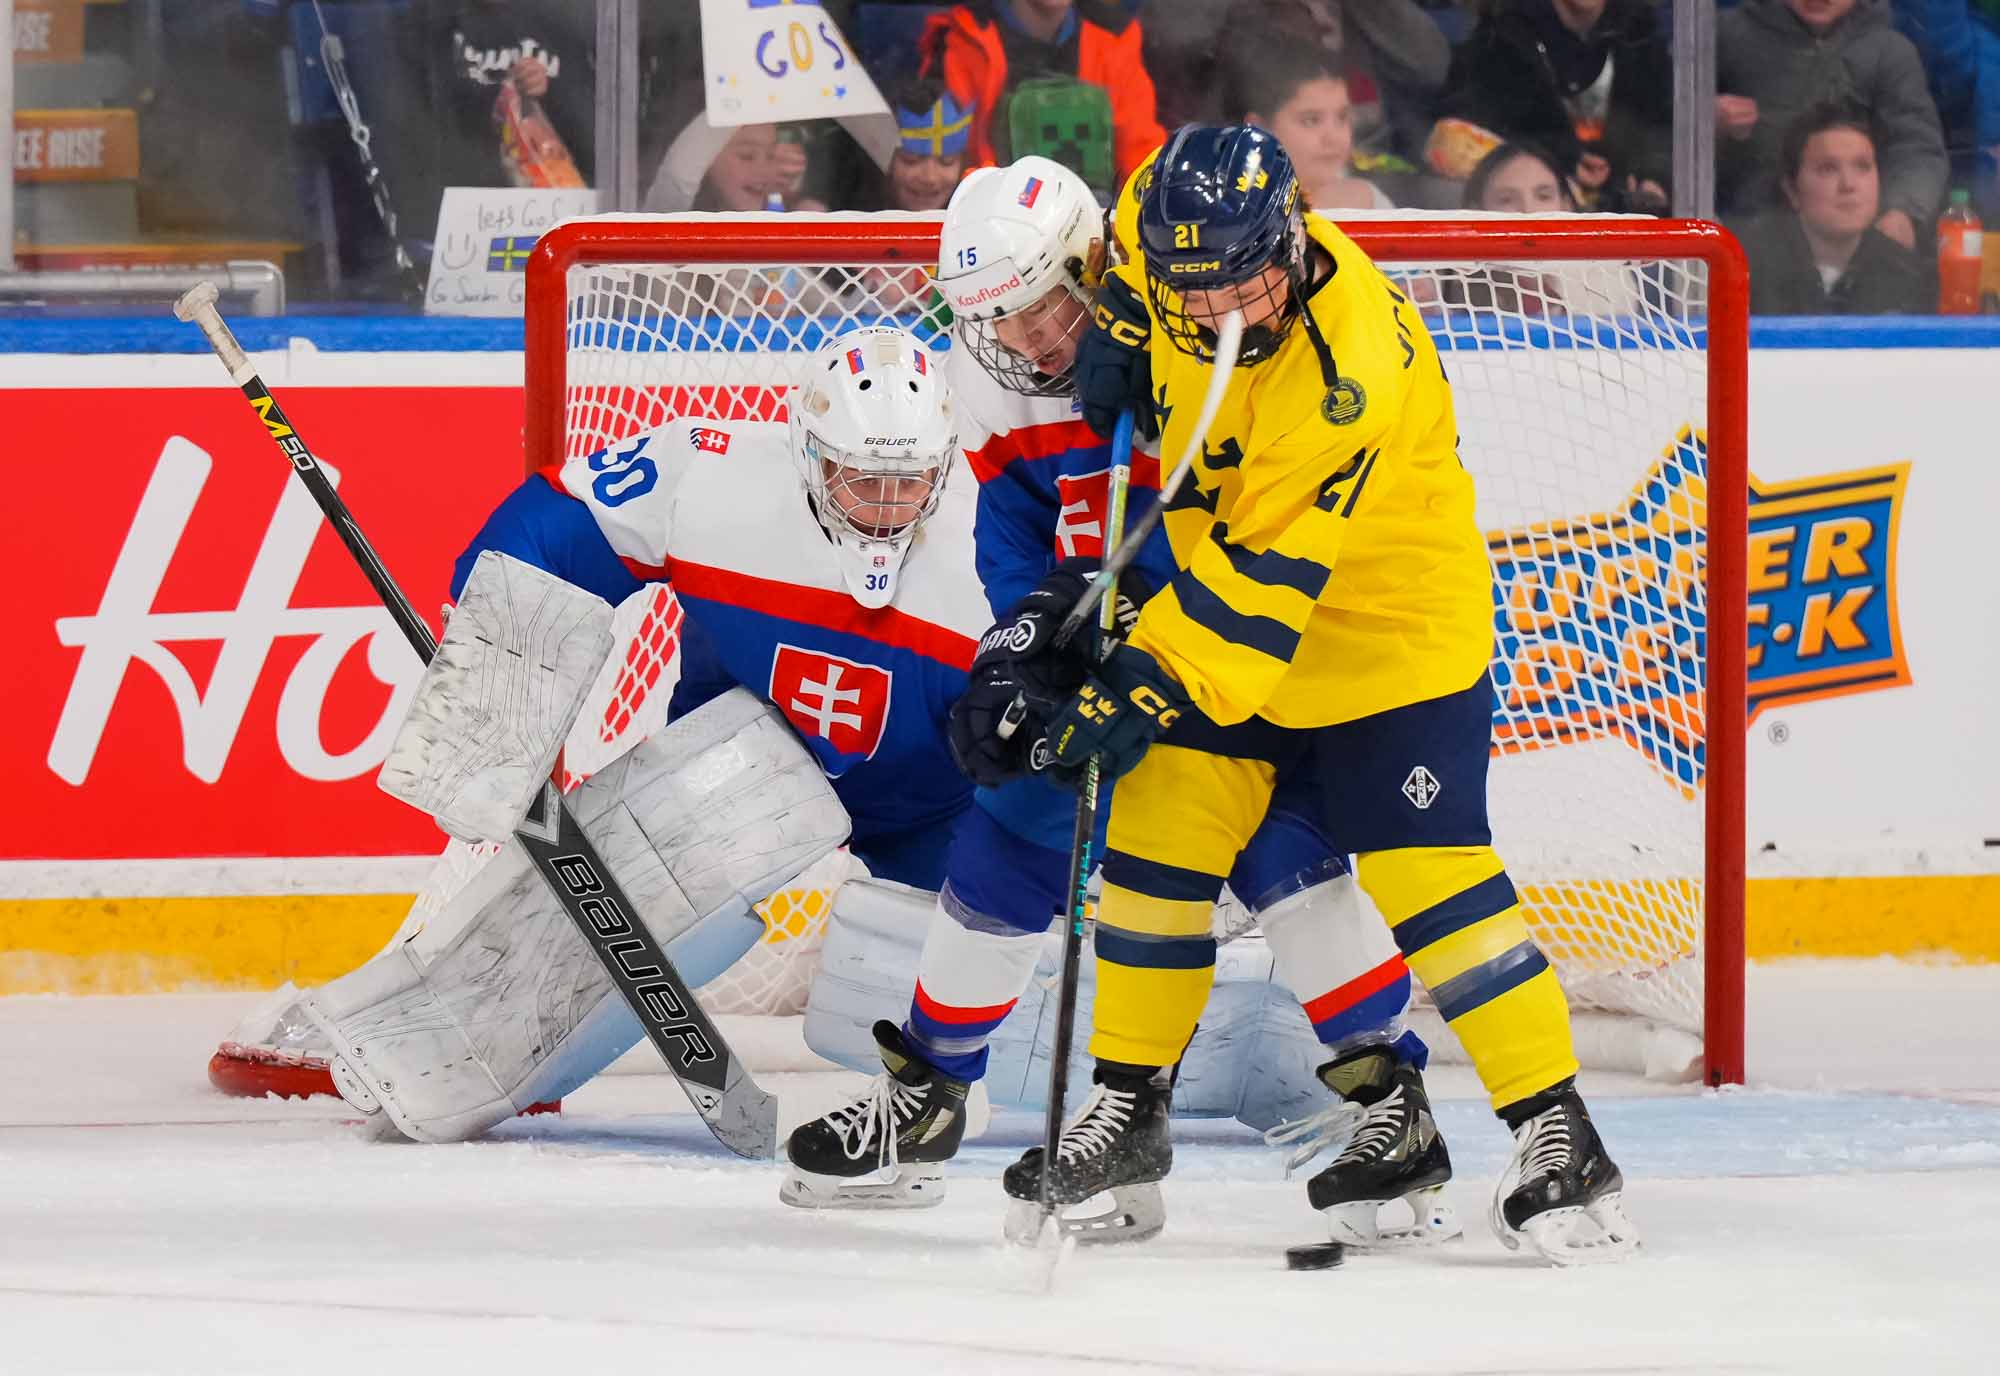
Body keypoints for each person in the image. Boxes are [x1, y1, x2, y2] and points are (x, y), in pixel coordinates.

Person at [961, 124, 1639, 1265]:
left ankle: (1556, 1132)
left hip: (1385, 639)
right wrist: (1122, 316)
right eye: (1191, 287)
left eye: (1246, 279)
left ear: (1290, 239)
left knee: (1434, 884)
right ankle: (1128, 1110)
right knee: (1156, 838)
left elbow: (1255, 587)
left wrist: (1133, 686)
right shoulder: (1167, 220)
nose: (1224, 304)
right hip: (1239, 619)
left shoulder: (1340, 379)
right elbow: (1134, 229)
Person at [788, 157, 1441, 1240]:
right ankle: (933, 1093)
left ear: (1094, 267)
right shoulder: (993, 374)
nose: (1030, 340)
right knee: (1009, 823)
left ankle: (1391, 1098)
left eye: (1046, 306)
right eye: (1000, 318)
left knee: (1276, 854)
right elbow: (1013, 522)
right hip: (1107, 637)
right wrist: (1023, 642)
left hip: (1234, 643)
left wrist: (1141, 620)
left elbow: (1264, 525)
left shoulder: (1204, 330)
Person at [1717, 0, 1948, 249]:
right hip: (1744, 236)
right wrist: (1704, 120)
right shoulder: (1725, 37)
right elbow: (1680, 141)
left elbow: (1916, 147)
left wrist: (1903, 211)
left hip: (1855, 247)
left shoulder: (1887, 52)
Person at [1437, 0, 1673, 214]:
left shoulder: (1643, 37)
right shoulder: (1496, 42)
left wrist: (1653, 178)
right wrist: (1564, 158)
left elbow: (1664, 130)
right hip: (1530, 220)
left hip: (1625, 218)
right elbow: (1459, 134)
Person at [921, 0, 1166, 190]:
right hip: (994, 219)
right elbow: (945, 165)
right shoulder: (964, 39)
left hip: (1095, 218)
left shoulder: (1113, 36)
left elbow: (1141, 154)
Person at [1734, 103, 1931, 313]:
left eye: (1862, 166)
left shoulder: (1909, 275)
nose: (1848, 184)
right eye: (1828, 169)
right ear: (1791, 189)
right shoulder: (1742, 266)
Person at [1222, 44, 1392, 210]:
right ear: (1259, 131)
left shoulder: (1370, 202)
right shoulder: (1229, 212)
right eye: (1311, 121)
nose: (1334, 138)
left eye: (1342, 117)